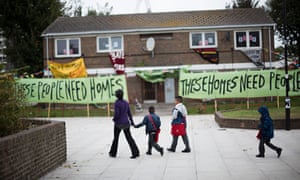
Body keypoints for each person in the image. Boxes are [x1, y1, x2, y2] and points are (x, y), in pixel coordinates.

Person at [109, 89, 140, 159]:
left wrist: (114, 119)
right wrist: (132, 122)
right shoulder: (126, 102)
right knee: (129, 138)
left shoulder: (117, 103)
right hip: (126, 123)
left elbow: (117, 113)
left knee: (116, 138)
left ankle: (113, 153)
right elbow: (129, 113)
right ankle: (136, 152)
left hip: (118, 123)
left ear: (117, 96)